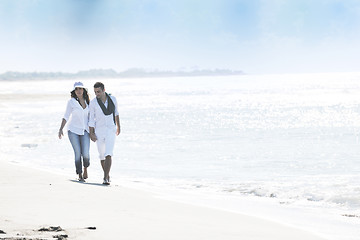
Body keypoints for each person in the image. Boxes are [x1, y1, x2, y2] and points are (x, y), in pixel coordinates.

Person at [89, 82, 121, 185]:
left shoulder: (113, 99)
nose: (96, 94)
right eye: (95, 92)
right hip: (99, 130)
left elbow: (116, 113)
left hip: (111, 129)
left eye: (98, 91)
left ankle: (105, 178)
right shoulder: (93, 103)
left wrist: (118, 127)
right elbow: (91, 119)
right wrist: (91, 133)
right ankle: (107, 175)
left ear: (104, 90)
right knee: (102, 155)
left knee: (108, 153)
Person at [58, 82, 91, 182]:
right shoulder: (71, 102)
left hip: (85, 130)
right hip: (73, 131)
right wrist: (61, 129)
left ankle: (85, 169)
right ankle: (80, 174)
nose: (78, 91)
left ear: (84, 90)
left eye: (80, 89)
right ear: (74, 91)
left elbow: (92, 117)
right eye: (76, 89)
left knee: (85, 153)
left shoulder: (88, 101)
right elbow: (66, 116)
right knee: (77, 153)